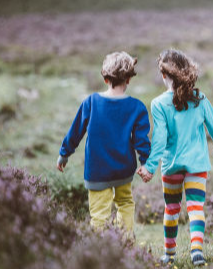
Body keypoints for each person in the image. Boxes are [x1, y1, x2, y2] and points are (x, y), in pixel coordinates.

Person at [137, 49, 213, 267]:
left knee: (172, 209)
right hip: (197, 165)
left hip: (171, 165)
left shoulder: (159, 103)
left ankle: (169, 255)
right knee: (196, 207)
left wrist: (150, 167)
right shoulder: (200, 99)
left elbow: (159, 140)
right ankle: (197, 251)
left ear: (164, 76)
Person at [56, 51, 151, 235]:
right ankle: (126, 244)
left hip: (97, 171)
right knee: (125, 203)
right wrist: (146, 163)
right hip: (124, 170)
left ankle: (100, 249)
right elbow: (142, 141)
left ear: (105, 78)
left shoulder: (91, 102)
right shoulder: (137, 107)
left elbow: (76, 131)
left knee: (99, 214)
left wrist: (64, 153)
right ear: (129, 79)